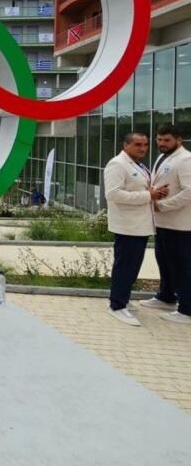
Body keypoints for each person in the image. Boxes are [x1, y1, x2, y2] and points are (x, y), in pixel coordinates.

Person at [104, 132, 167, 326]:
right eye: (138, 144)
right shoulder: (117, 164)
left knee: (132, 267)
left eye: (146, 145)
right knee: (125, 267)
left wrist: (153, 193)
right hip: (127, 225)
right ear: (126, 145)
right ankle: (117, 305)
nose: (142, 148)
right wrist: (148, 195)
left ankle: (123, 299)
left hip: (140, 225)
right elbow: (114, 194)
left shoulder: (138, 165)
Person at [141, 124, 191, 324]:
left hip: (181, 225)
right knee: (165, 261)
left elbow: (189, 191)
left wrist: (163, 206)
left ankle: (187, 309)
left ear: (179, 140)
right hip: (163, 223)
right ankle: (166, 296)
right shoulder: (164, 156)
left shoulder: (185, 160)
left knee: (183, 266)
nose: (161, 143)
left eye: (167, 140)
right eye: (159, 140)